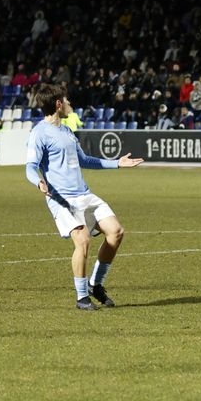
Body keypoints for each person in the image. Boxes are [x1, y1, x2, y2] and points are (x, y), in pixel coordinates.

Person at [25, 83, 144, 310]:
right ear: (58, 104)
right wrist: (38, 181)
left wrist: (117, 163)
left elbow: (85, 160)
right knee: (83, 241)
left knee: (116, 232)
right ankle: (82, 298)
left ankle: (95, 284)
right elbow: (30, 166)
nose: (70, 103)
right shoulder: (39, 133)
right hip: (62, 199)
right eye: (67, 100)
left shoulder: (67, 131)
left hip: (84, 194)